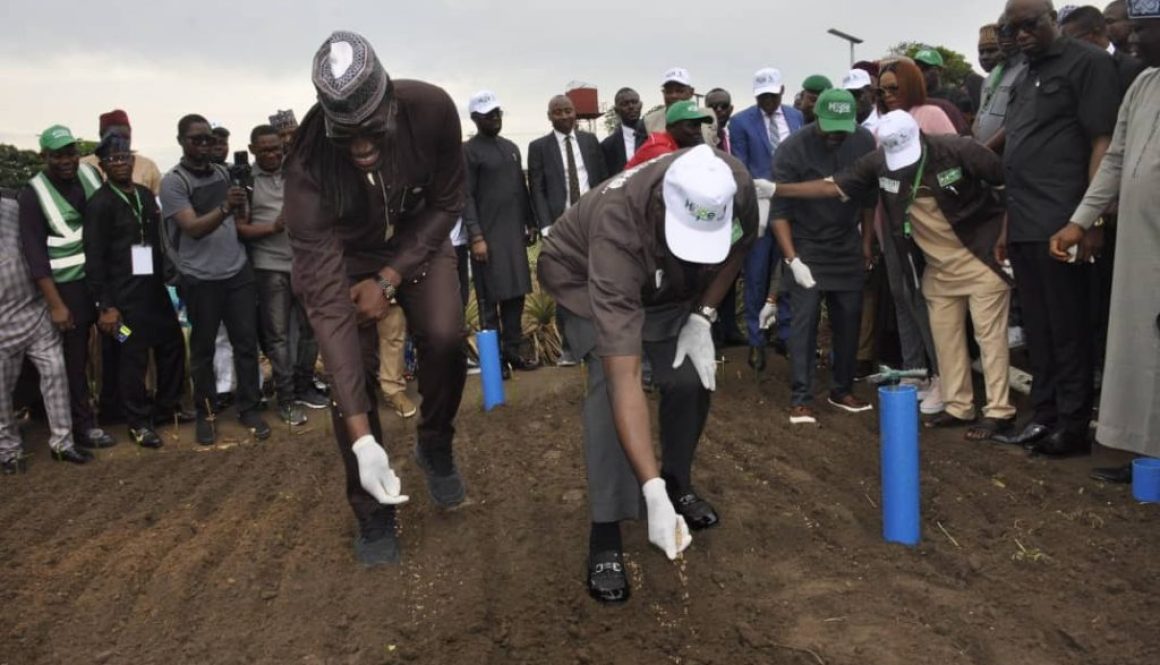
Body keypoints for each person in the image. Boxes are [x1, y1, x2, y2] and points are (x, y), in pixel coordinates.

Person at [538, 145, 757, 603]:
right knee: (607, 383)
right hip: (583, 276)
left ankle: (677, 481)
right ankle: (606, 528)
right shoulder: (618, 226)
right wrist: (647, 487)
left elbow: (739, 245)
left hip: (669, 282)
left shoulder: (732, 184)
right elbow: (625, 374)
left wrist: (702, 316)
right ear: (662, 207)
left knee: (689, 376)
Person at [283, 31, 469, 565]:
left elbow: (448, 201)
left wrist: (390, 277)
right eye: (347, 136)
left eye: (372, 131)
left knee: (444, 336)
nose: (362, 147)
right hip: (344, 258)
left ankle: (433, 441)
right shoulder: (307, 170)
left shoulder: (431, 109)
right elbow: (326, 312)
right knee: (352, 379)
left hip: (418, 242)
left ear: (389, 98)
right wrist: (364, 438)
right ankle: (372, 506)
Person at [778, 111, 1018, 440]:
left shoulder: (958, 150)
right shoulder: (879, 162)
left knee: (989, 340)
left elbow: (1007, 181)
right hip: (937, 269)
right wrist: (777, 189)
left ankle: (998, 411)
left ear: (919, 135)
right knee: (945, 341)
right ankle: (958, 405)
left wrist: (1004, 235)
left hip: (979, 257)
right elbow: (831, 187)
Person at [994, 0, 1119, 457]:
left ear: (1054, 21)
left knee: (1068, 328)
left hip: (1063, 221)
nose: (1021, 34)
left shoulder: (1086, 64)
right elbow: (1018, 153)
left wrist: (1090, 220)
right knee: (1039, 330)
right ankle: (1043, 416)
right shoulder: (1024, 73)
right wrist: (1008, 226)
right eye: (1013, 26)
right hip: (1025, 221)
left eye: (1031, 24)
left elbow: (1102, 143)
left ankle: (1072, 424)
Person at [1049, 2, 1160, 481]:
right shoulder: (1143, 85)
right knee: (1139, 346)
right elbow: (1114, 160)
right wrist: (1080, 220)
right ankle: (1148, 454)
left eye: (1143, 29)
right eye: (1132, 27)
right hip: (1139, 242)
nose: (1132, 38)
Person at [160, 114, 271, 446]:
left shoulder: (223, 172)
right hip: (200, 277)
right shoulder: (174, 181)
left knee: (246, 344)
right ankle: (206, 414)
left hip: (236, 272)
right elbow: (192, 228)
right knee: (204, 350)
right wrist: (225, 207)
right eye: (197, 139)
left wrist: (241, 207)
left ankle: (249, 408)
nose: (204, 144)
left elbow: (239, 220)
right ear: (181, 141)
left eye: (208, 138)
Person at [769, 89, 877, 424]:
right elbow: (779, 212)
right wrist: (792, 260)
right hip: (806, 244)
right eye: (830, 127)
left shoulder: (862, 141)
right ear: (816, 117)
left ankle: (841, 388)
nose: (836, 135)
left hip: (846, 242)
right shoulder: (792, 150)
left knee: (849, 318)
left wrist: (866, 243)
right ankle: (801, 396)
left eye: (842, 128)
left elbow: (869, 197)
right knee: (805, 323)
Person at [83, 134, 188, 449]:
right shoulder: (100, 204)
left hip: (153, 290)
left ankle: (166, 407)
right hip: (122, 297)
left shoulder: (144, 195)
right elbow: (95, 258)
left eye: (125, 157)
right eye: (114, 160)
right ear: (103, 166)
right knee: (133, 357)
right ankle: (138, 422)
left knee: (172, 345)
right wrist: (106, 306)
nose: (121, 163)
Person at [17, 125, 115, 453]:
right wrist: (56, 305)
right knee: (76, 358)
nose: (66, 160)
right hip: (68, 291)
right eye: (57, 155)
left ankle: (117, 406)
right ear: (45, 156)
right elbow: (35, 256)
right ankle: (84, 424)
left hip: (102, 284)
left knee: (123, 336)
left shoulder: (90, 175)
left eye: (70, 152)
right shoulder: (34, 193)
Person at [876, 58, 957, 414]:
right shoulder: (884, 123)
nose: (889, 95)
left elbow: (955, 163)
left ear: (911, 84)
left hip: (925, 226)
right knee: (901, 296)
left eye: (895, 88)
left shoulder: (931, 115)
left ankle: (944, 375)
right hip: (889, 224)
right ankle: (915, 371)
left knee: (925, 299)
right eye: (883, 90)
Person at [234, 124, 327, 427]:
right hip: (269, 266)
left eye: (277, 148)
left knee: (312, 329)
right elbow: (240, 228)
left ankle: (304, 387)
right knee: (278, 337)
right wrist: (272, 228)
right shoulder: (246, 181)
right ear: (252, 151)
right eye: (265, 150)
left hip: (305, 263)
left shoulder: (297, 173)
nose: (273, 154)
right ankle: (286, 399)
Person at [0, 189, 90, 470]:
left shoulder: (14, 206)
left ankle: (63, 444)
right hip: (2, 325)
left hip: (37, 310)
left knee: (56, 375)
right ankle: (8, 450)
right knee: (2, 391)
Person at [729, 68, 804, 369]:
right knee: (757, 274)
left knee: (788, 269)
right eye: (763, 97)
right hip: (760, 208)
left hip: (792, 205)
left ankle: (785, 333)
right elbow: (742, 166)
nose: (768, 102)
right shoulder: (741, 122)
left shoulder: (796, 117)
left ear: (782, 90)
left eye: (773, 95)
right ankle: (757, 339)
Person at [527, 94, 609, 366]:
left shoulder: (590, 142)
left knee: (599, 280)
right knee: (565, 285)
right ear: (549, 116)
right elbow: (536, 188)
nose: (564, 116)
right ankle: (571, 348)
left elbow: (603, 179)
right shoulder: (538, 147)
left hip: (593, 220)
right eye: (557, 112)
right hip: (560, 226)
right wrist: (546, 224)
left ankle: (600, 342)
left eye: (568, 111)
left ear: (576, 113)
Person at [463, 90, 540, 373]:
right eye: (488, 115)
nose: (495, 119)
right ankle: (495, 362)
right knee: (489, 300)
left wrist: (530, 222)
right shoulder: (468, 151)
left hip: (512, 236)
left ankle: (513, 351)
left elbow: (521, 189)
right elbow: (466, 196)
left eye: (497, 113)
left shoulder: (510, 147)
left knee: (515, 296)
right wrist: (477, 237)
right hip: (488, 238)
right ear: (475, 118)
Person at [1061, 5, 1146, 92]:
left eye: (1072, 40)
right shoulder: (1072, 70)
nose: (1068, 45)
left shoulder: (1132, 68)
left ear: (1094, 33)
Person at [976, 18, 1032, 150]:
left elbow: (1014, 122)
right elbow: (980, 116)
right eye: (981, 52)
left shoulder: (1026, 71)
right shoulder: (991, 77)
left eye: (991, 50)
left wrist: (985, 149)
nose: (984, 56)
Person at [80, 109, 164, 195]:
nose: (120, 141)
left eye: (125, 136)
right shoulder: (83, 166)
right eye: (114, 136)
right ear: (102, 136)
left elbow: (159, 200)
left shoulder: (147, 166)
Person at [626, 100, 714, 168]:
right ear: (670, 128)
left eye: (699, 125)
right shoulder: (660, 151)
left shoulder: (679, 146)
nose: (698, 131)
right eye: (691, 126)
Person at [642, 68, 718, 146]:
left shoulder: (709, 116)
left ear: (691, 92)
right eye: (669, 91)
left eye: (680, 91)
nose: (674, 95)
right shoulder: (649, 122)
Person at [913, 48, 973, 135]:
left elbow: (965, 130)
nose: (920, 73)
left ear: (940, 70)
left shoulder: (956, 96)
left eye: (926, 69)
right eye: (917, 69)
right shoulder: (911, 98)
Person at [600, 87, 645, 175]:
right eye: (625, 104)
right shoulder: (607, 146)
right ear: (616, 110)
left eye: (634, 102)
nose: (631, 107)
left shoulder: (653, 133)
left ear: (641, 105)